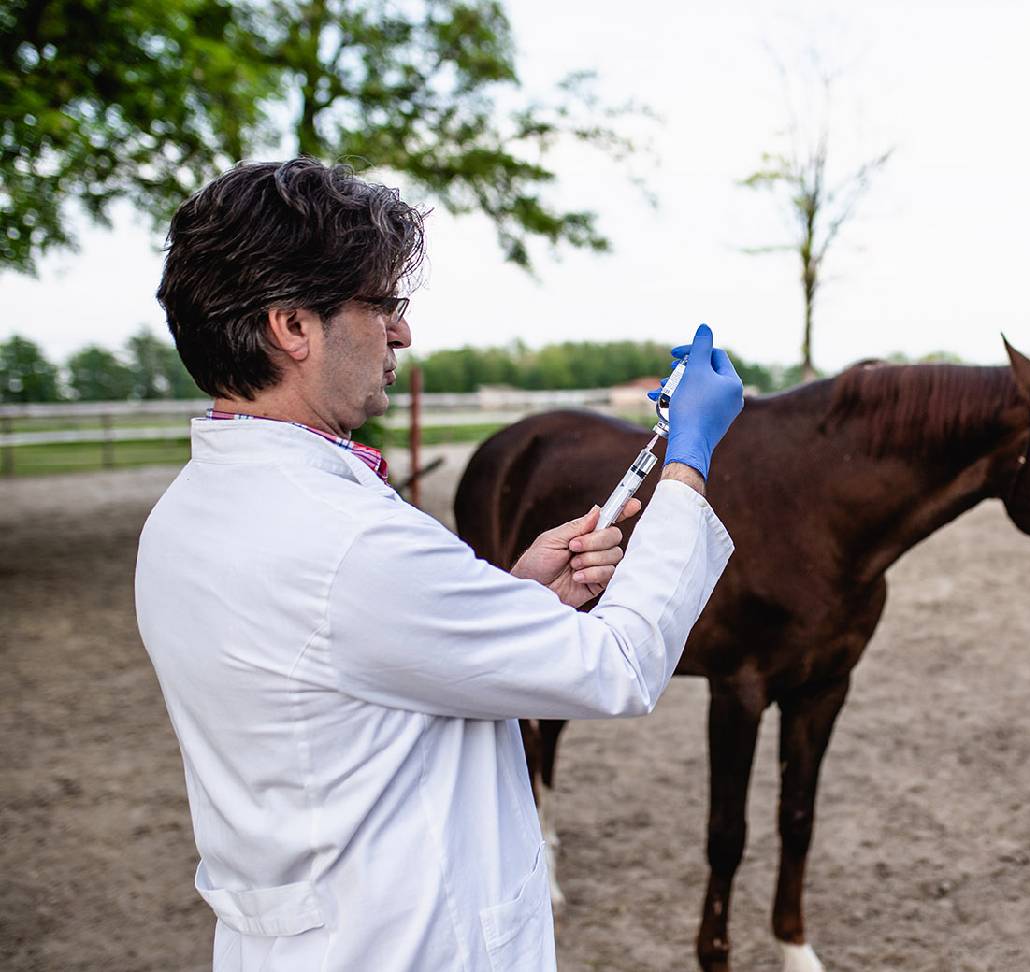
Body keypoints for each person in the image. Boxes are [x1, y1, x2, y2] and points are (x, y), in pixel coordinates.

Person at [136, 158, 745, 971]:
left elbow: (352, 660)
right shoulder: (346, 540)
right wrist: (690, 457)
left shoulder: (185, 515)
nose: (402, 332)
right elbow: (617, 666)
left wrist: (516, 596)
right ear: (292, 326)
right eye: (383, 303)